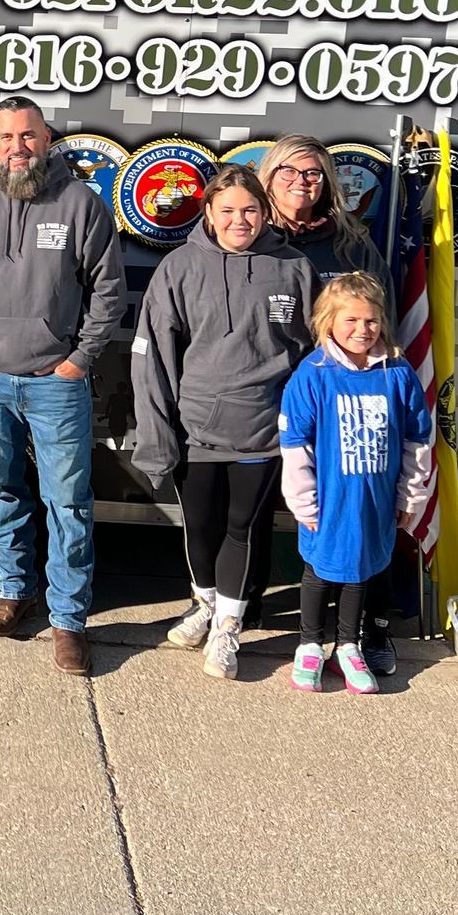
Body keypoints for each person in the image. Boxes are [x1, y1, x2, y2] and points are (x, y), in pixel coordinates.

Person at [0, 96, 127, 676]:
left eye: (29, 136)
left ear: (47, 140)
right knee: (0, 490)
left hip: (55, 383)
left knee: (67, 502)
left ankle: (69, 621)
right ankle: (15, 593)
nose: (18, 148)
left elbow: (108, 291)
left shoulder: (79, 204)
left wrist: (77, 360)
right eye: (7, 137)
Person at [130, 166, 316, 681]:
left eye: (250, 210)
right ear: (208, 213)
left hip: (263, 431)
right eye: (228, 210)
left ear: (265, 212)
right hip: (196, 429)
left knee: (242, 528)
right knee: (201, 529)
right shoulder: (179, 269)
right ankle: (206, 605)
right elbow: (154, 357)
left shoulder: (294, 268)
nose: (240, 220)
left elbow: (313, 355)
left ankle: (227, 629)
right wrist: (157, 432)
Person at [278, 272, 435, 693]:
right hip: (330, 501)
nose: (362, 330)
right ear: (328, 322)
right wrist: (305, 504)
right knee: (318, 572)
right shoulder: (313, 375)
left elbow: (417, 439)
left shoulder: (397, 374)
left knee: (360, 572)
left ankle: (347, 646)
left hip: (376, 501)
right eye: (350, 321)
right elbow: (296, 447)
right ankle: (309, 644)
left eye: (370, 321)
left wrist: (410, 494)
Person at [259, 135, 384, 279]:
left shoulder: (351, 242)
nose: (301, 181)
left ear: (326, 182)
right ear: (270, 177)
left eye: (312, 173)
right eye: (289, 170)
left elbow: (380, 297)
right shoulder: (252, 236)